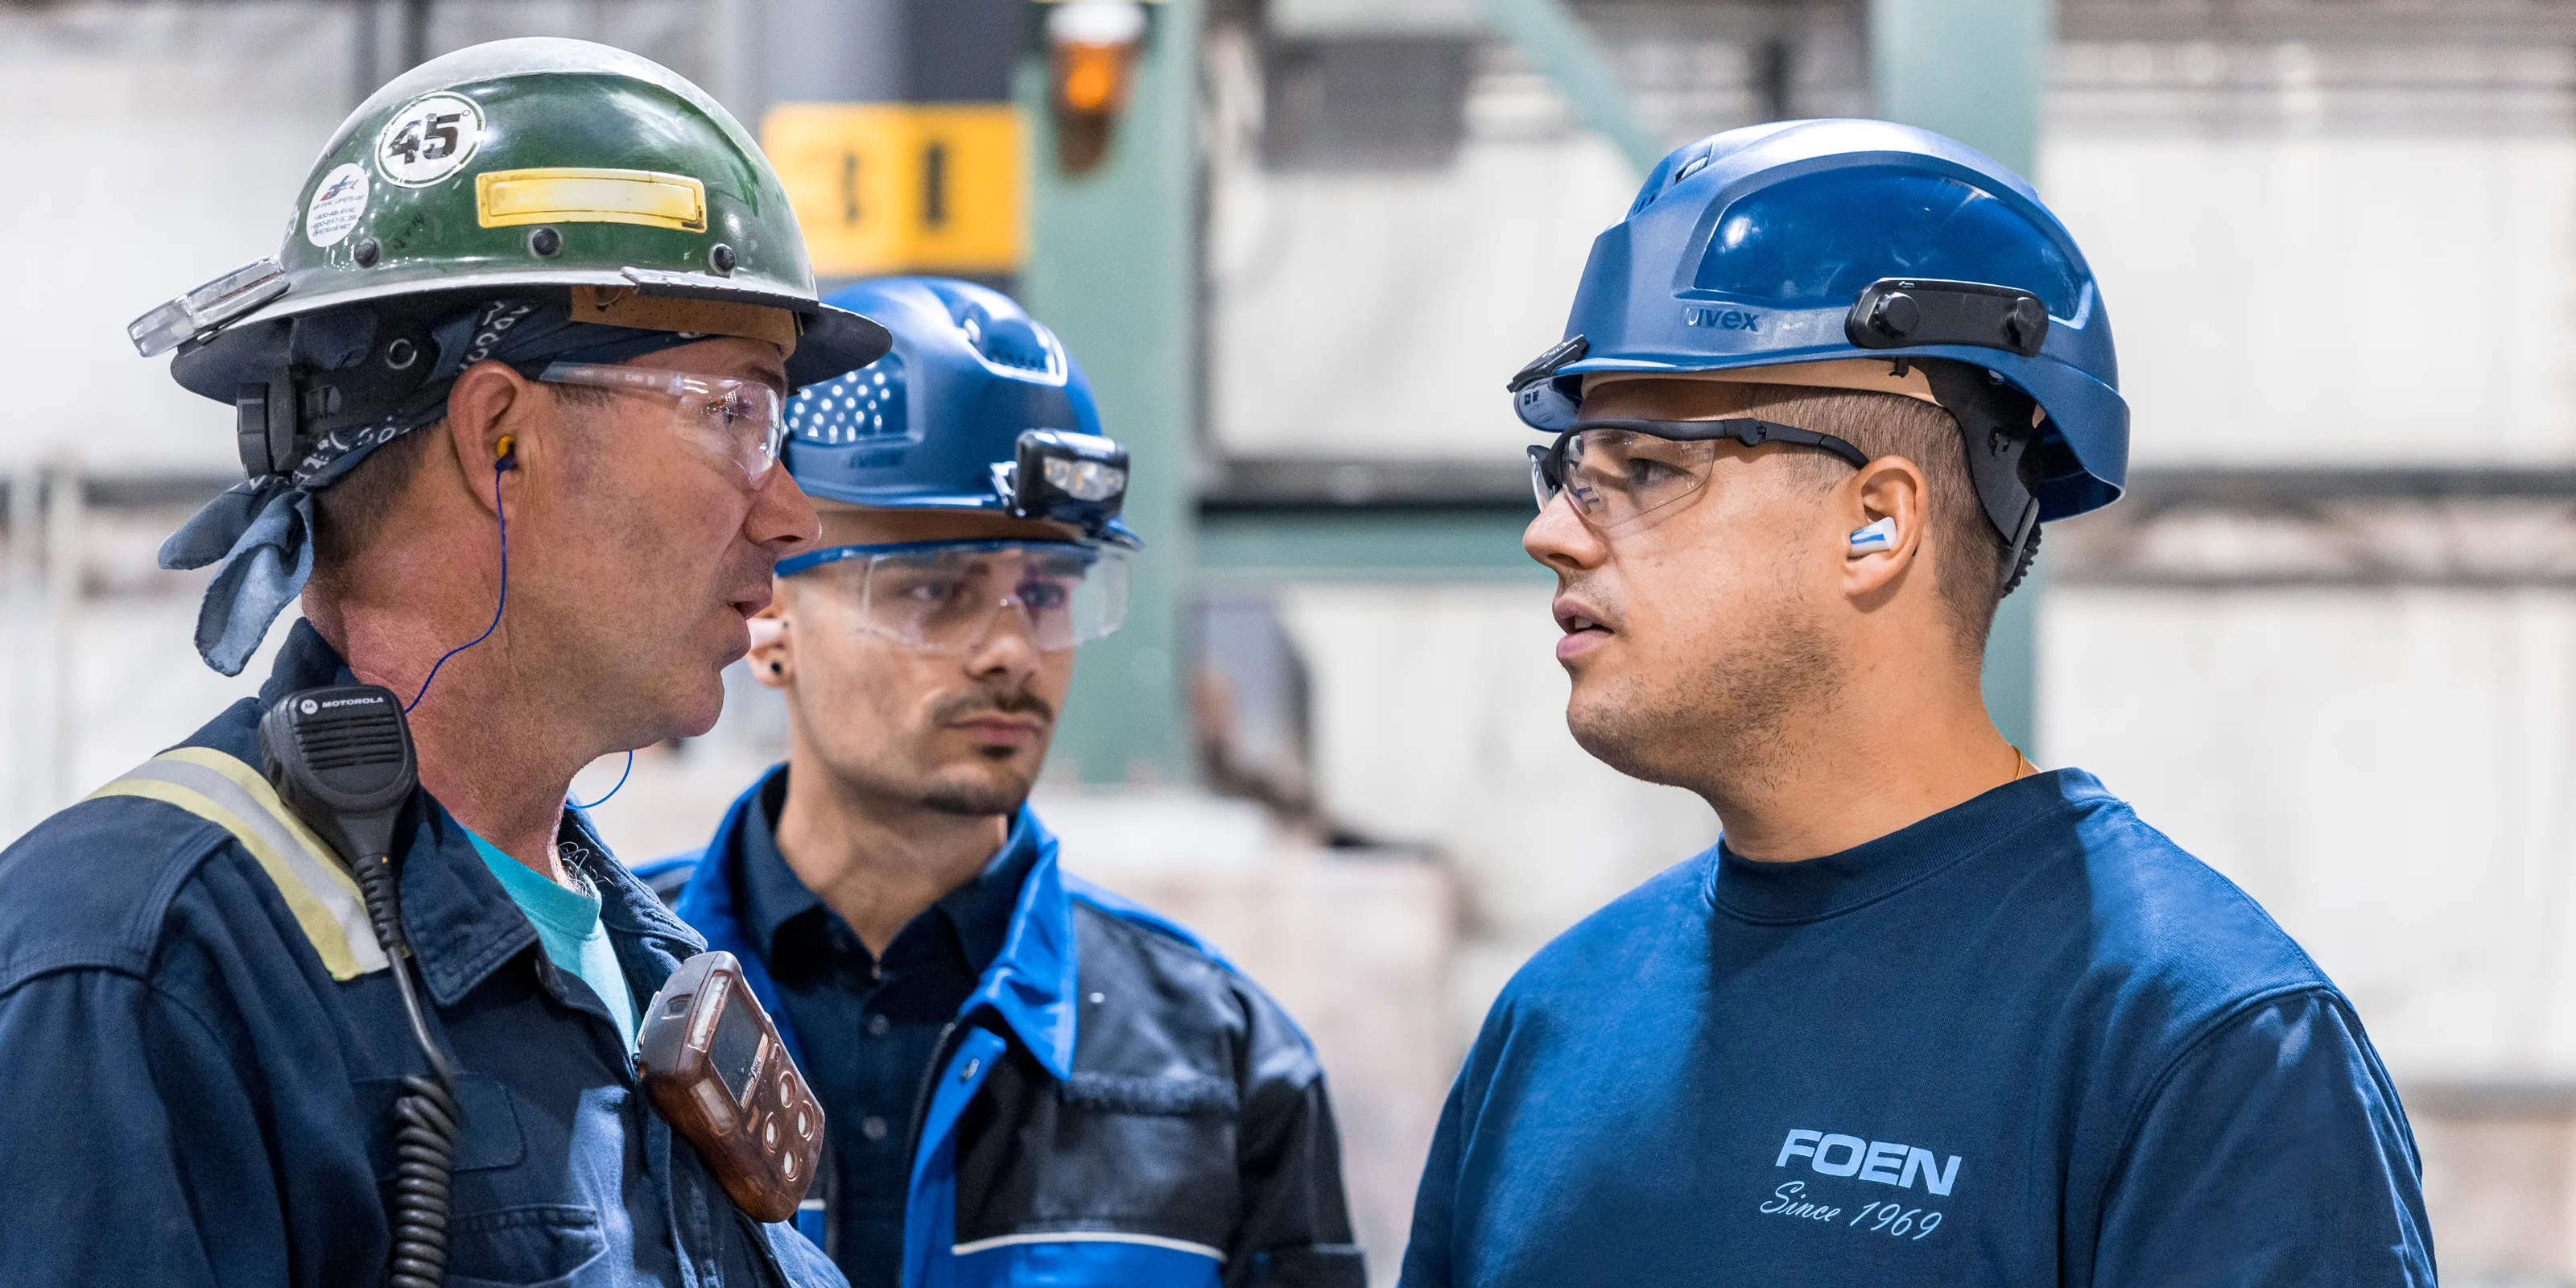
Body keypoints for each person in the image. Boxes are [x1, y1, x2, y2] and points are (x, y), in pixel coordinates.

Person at [1399, 120, 2435, 1286]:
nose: (1549, 534)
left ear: (1877, 522)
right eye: (1569, 472)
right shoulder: (1554, 1025)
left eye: (1645, 470)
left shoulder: (2198, 1045)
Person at [0, 39, 892, 1286]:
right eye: (738, 415)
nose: (794, 513)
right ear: (501, 437)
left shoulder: (647, 968)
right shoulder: (143, 974)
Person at [635, 277, 1366, 1288]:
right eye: (935, 589)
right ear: (770, 617)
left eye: (1048, 590)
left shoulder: (1222, 1071)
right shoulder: (605, 997)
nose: (1012, 651)